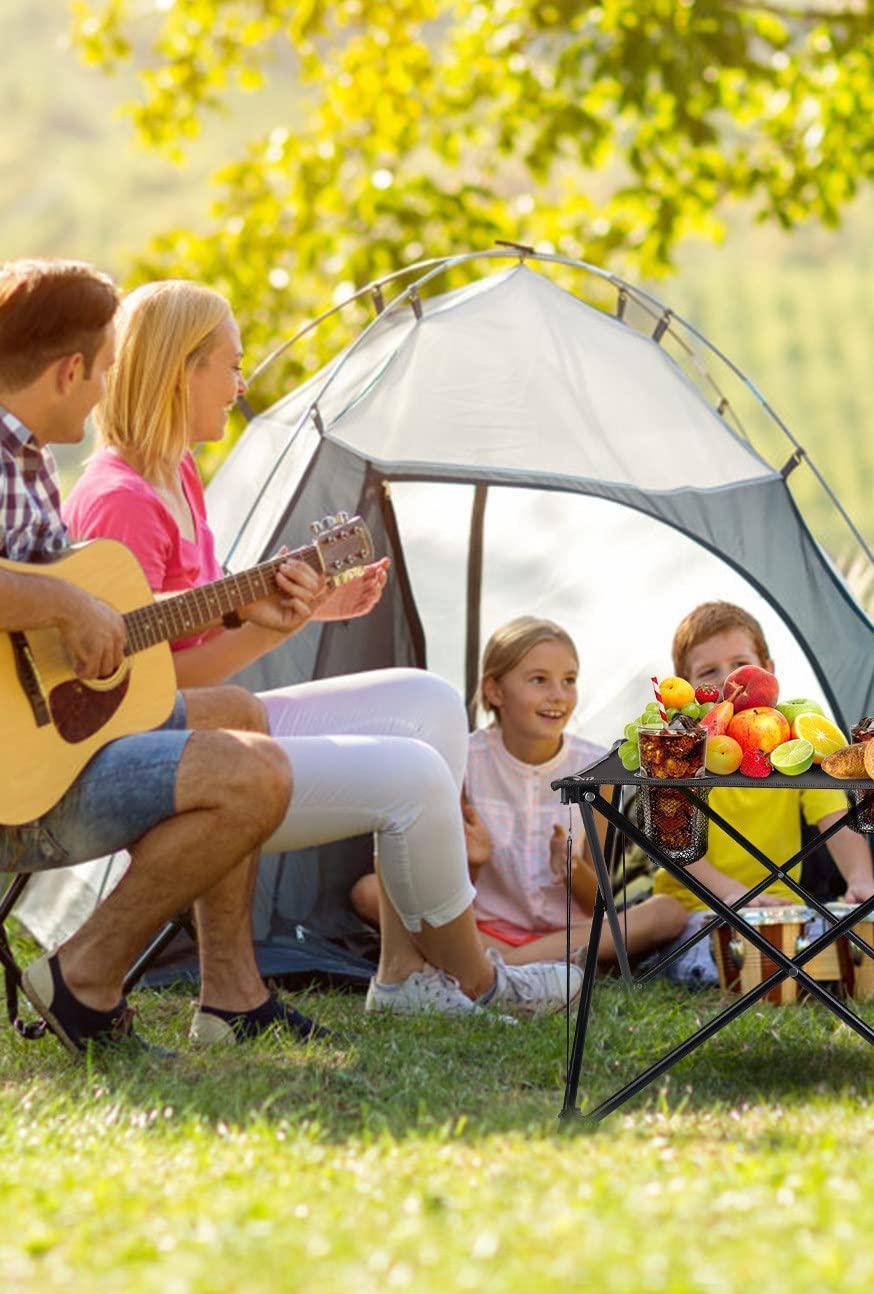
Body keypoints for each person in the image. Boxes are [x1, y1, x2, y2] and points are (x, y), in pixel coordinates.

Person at [64, 279, 580, 1027]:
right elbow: (143, 684)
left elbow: (194, 632)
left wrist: (307, 608)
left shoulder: (175, 475)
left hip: (200, 723)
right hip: (153, 755)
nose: (240, 386)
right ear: (184, 370)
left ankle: (403, 974)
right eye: (231, 366)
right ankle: (481, 982)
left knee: (429, 702)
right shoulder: (120, 499)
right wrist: (272, 630)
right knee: (413, 776)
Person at [0, 258, 294, 1056]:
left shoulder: (27, 463)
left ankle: (231, 994)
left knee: (240, 717)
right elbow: (65, 604)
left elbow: (101, 625)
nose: (105, 393)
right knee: (255, 772)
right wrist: (66, 603)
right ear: (69, 371)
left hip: (47, 738)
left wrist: (242, 609)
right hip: (14, 787)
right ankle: (82, 976)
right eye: (101, 371)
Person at [352, 616, 686, 967]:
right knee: (371, 890)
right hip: (484, 929)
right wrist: (473, 863)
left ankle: (503, 966)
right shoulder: (463, 762)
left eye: (569, 680)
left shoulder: (596, 769)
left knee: (667, 912)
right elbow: (451, 894)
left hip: (568, 934)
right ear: (495, 691)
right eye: (539, 680)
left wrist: (573, 871)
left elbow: (596, 901)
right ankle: (526, 964)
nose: (559, 695)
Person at [656, 601, 874, 982]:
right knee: (718, 959)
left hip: (782, 912)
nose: (730, 682)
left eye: (741, 665)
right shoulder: (680, 741)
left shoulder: (799, 732)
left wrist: (861, 881)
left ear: (769, 671)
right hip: (699, 907)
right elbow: (671, 841)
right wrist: (731, 896)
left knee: (842, 949)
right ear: (688, 686)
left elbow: (836, 818)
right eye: (710, 672)